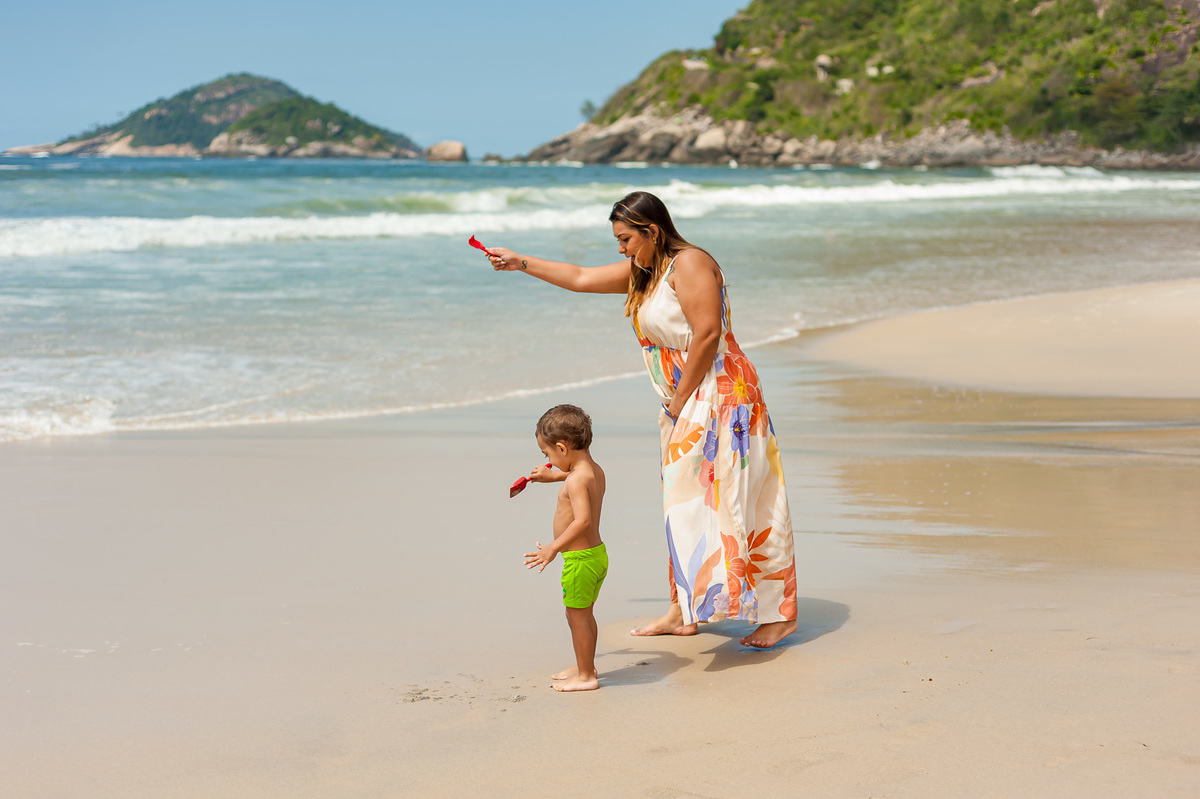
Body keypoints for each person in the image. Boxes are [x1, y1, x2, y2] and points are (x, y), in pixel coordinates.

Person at [490, 191, 797, 649]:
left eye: (626, 239)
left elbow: (709, 333)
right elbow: (578, 277)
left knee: (741, 498)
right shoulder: (648, 273)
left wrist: (677, 403)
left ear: (652, 231)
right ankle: (684, 609)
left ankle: (779, 614)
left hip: (719, 395)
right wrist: (520, 262)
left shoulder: (690, 263)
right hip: (685, 399)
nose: (621, 249)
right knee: (683, 504)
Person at [524, 404, 608, 692]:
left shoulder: (576, 479)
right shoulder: (592, 470)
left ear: (562, 447)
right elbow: (577, 480)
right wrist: (554, 476)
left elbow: (582, 521)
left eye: (547, 454)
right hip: (595, 556)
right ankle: (587, 664)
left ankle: (586, 676)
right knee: (585, 615)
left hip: (579, 560)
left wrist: (552, 548)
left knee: (576, 617)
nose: (548, 459)